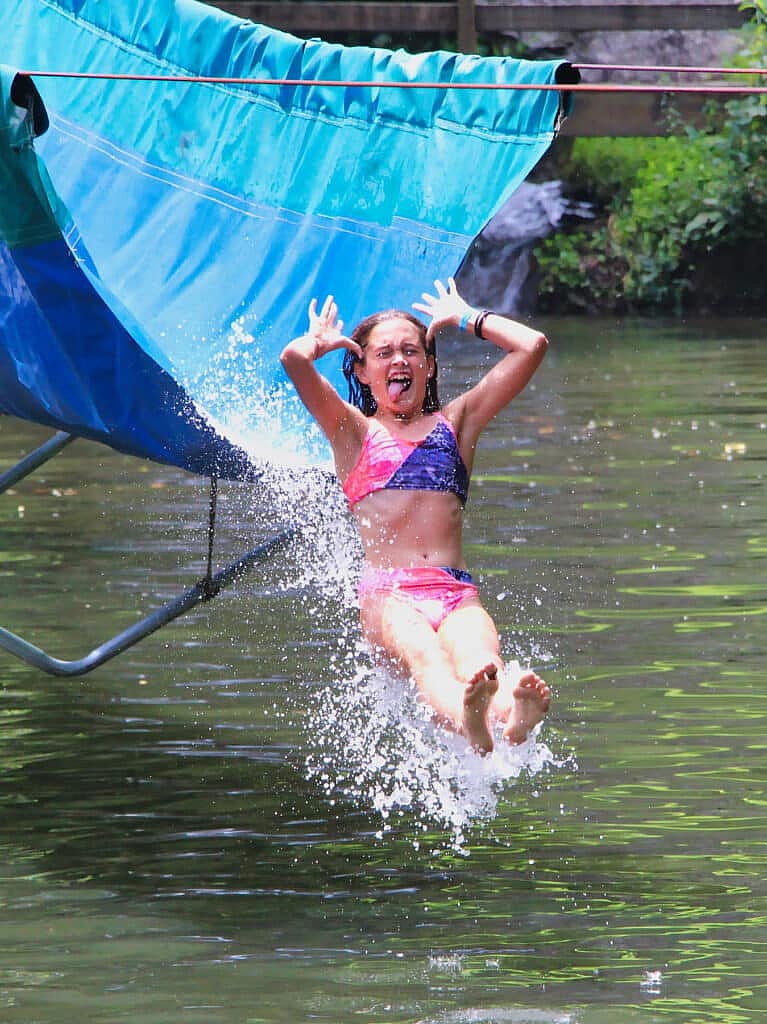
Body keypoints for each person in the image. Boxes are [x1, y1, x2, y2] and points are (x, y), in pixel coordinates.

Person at [280, 276, 550, 754]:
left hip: (455, 590)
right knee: (426, 656)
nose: (399, 360)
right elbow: (294, 361)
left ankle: (512, 721)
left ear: (428, 366)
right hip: (390, 596)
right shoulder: (352, 432)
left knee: (485, 662)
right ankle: (473, 720)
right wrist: (317, 342)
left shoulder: (457, 423)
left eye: (411, 351)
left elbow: (532, 346)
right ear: (362, 371)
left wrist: (466, 316)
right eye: (384, 354)